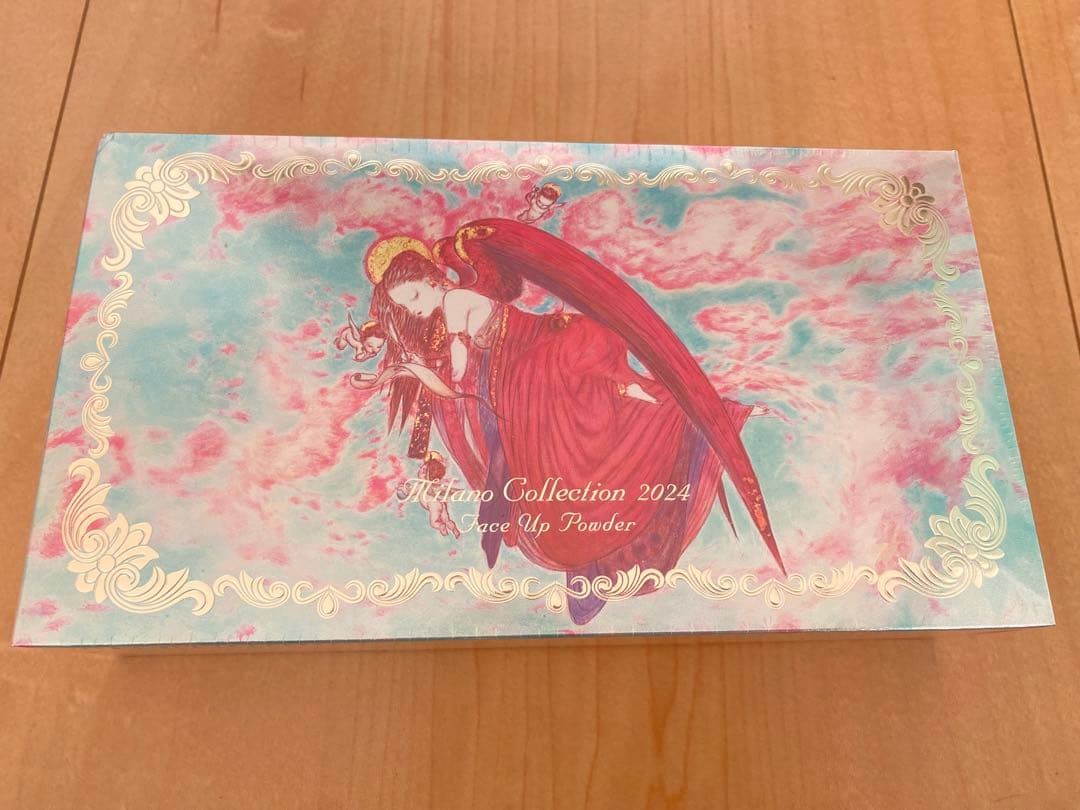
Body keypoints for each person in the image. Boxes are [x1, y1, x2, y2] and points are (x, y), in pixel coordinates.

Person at [347, 219, 782, 623]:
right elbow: (448, 379)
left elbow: (458, 369)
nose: (415, 311)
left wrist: (413, 370)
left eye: (414, 298)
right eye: (405, 307)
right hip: (525, 378)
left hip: (542, 362)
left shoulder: (456, 300)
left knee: (583, 443)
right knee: (570, 468)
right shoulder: (440, 318)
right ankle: (595, 553)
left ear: (432, 279)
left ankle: (710, 416)